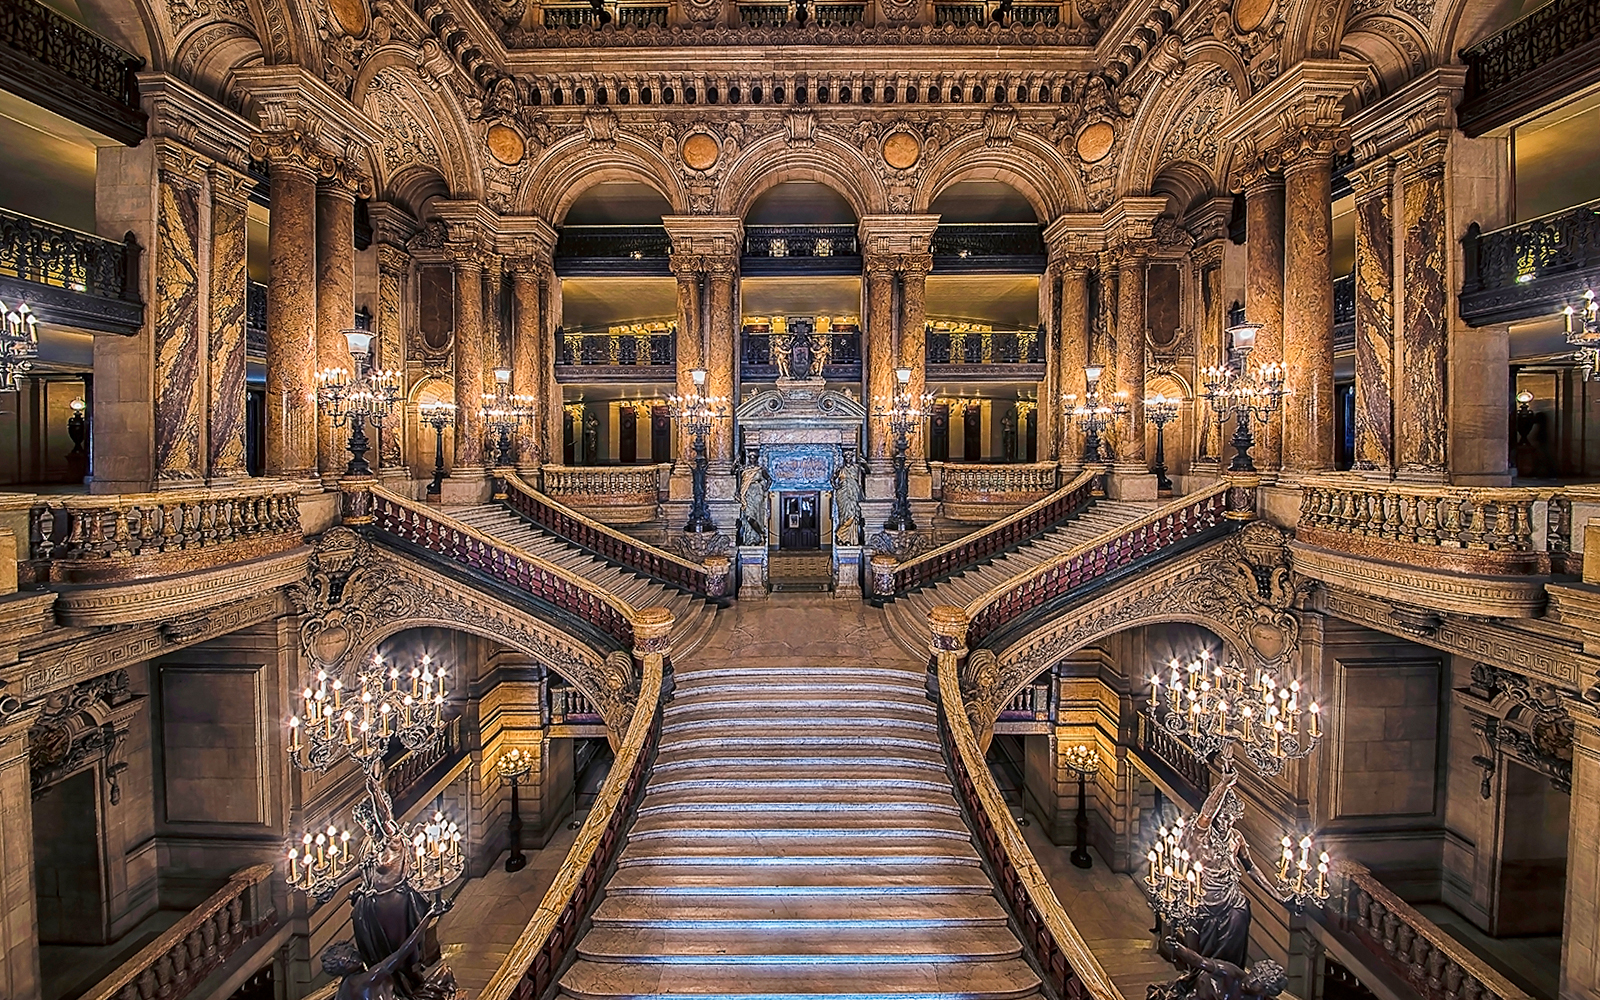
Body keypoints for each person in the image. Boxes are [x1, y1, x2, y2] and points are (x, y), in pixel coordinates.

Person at [832, 449, 865, 546]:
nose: (848, 459)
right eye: (846, 457)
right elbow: (833, 479)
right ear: (844, 458)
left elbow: (866, 472)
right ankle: (843, 539)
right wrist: (836, 486)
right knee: (844, 516)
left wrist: (864, 463)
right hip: (843, 494)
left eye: (850, 457)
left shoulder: (856, 468)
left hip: (853, 494)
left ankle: (847, 538)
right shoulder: (841, 469)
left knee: (852, 515)